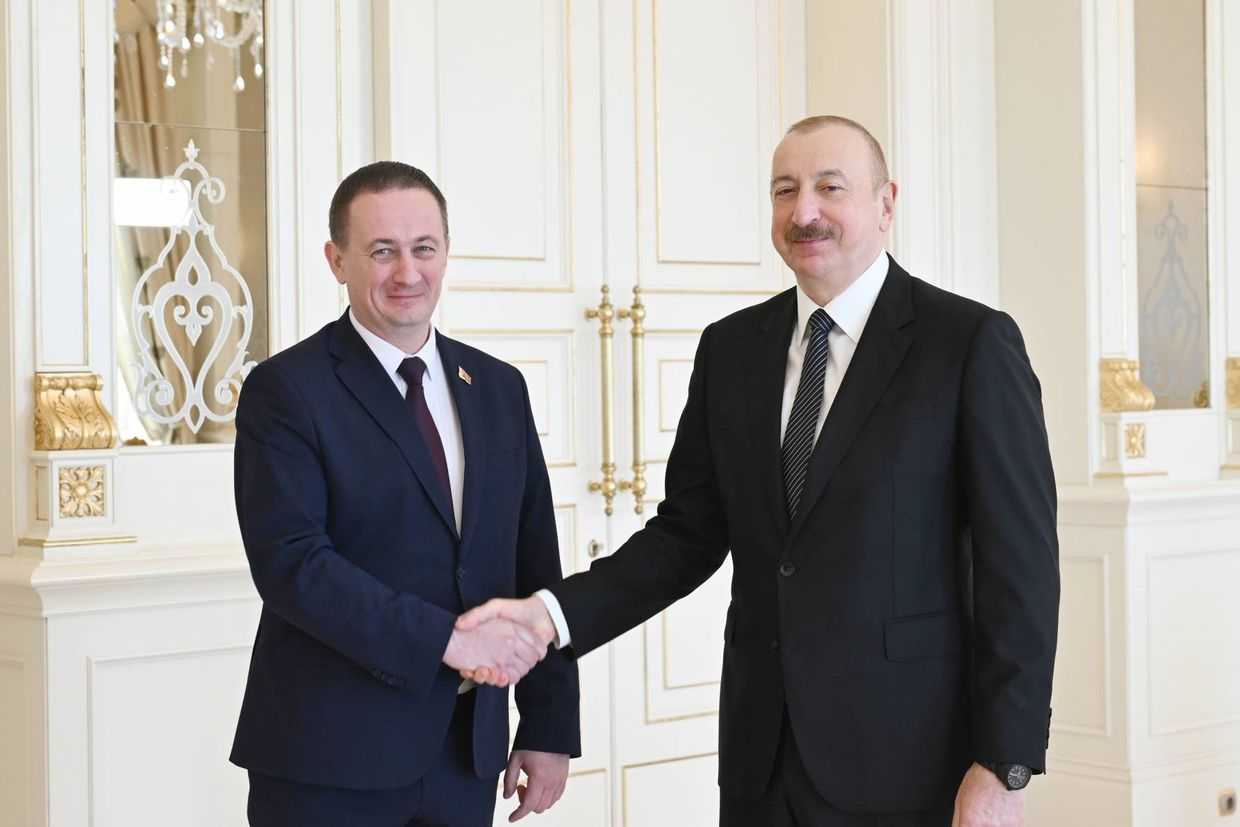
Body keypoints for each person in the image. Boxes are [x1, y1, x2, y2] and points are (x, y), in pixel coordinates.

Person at [458, 116, 1060, 827]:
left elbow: (1019, 574)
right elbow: (684, 537)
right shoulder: (732, 350)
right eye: (785, 190)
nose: (803, 211)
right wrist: (549, 616)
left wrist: (1004, 767)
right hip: (761, 762)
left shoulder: (969, 344)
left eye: (829, 187)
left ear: (886, 203)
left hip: (913, 763)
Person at [230, 161, 578, 826]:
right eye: (381, 251)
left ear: (446, 253)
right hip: (326, 758)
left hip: (464, 758)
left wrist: (549, 722)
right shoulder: (286, 391)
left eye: (424, 249)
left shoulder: (500, 388)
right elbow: (293, 567)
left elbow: (536, 564)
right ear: (336, 260)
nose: (407, 273)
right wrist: (446, 640)